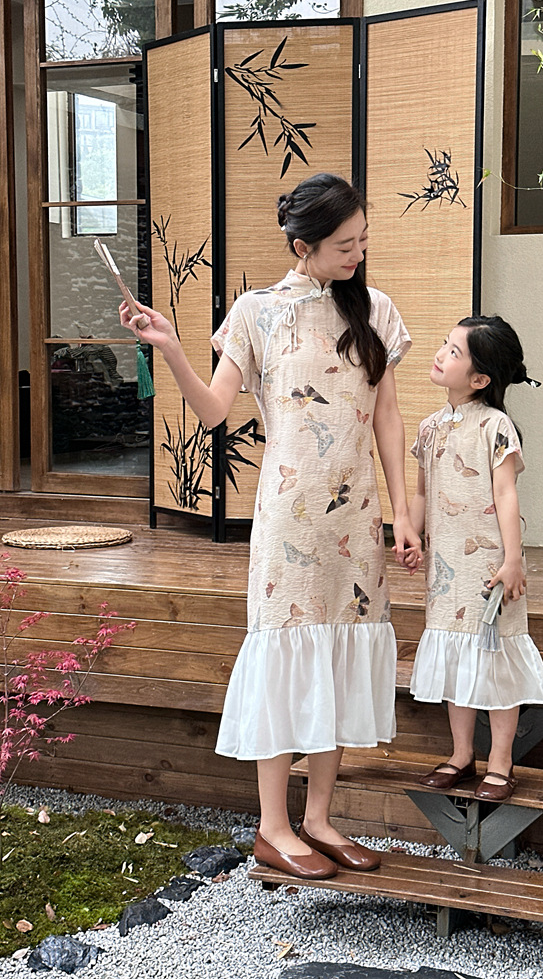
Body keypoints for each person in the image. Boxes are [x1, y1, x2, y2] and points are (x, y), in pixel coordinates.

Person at [120, 172, 422, 878]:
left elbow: (387, 417)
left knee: (339, 657)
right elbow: (213, 410)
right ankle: (273, 826)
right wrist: (171, 346)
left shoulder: (376, 310)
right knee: (288, 659)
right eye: (345, 244)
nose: (359, 253)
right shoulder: (256, 312)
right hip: (290, 522)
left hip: (356, 521)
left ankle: (319, 819)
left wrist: (403, 511)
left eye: (363, 240)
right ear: (301, 246)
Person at [403, 316, 543, 802]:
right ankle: (461, 755)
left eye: (454, 351)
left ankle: (501, 761)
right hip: (446, 569)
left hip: (490, 566)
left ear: (480, 379)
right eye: (444, 344)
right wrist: (411, 534)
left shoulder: (496, 426)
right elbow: (422, 492)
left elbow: (506, 494)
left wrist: (513, 560)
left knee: (496, 660)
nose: (440, 354)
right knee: (457, 660)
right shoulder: (429, 428)